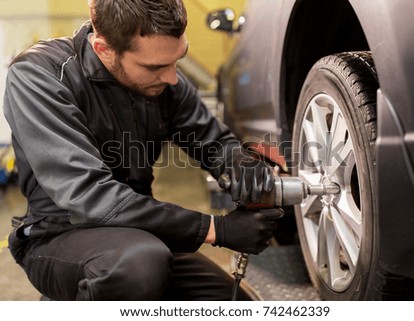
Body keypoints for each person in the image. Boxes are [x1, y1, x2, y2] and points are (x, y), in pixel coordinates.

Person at [3, 0, 282, 300]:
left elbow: (211, 141)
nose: (173, 77)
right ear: (104, 49)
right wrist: (215, 229)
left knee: (232, 303)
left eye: (178, 59)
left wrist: (239, 162)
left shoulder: (163, 80)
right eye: (156, 67)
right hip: (60, 235)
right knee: (139, 268)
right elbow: (92, 197)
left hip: (142, 234)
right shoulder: (40, 76)